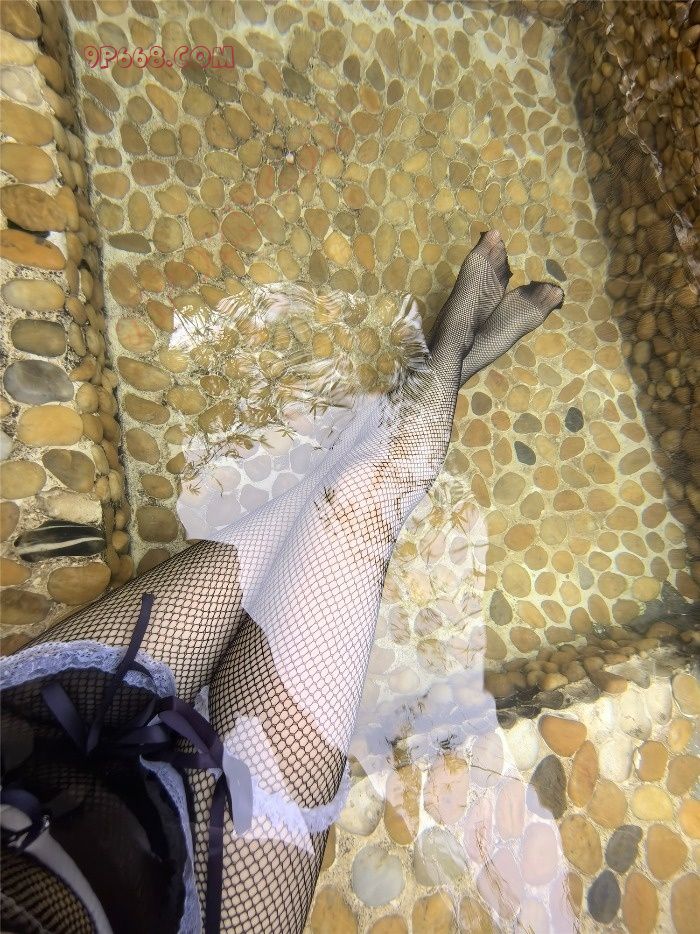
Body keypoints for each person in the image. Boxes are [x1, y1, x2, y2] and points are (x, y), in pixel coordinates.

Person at [0, 230, 564, 933]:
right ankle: (448, 358)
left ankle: (441, 371)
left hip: (32, 746)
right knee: (369, 497)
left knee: (315, 500)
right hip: (214, 890)